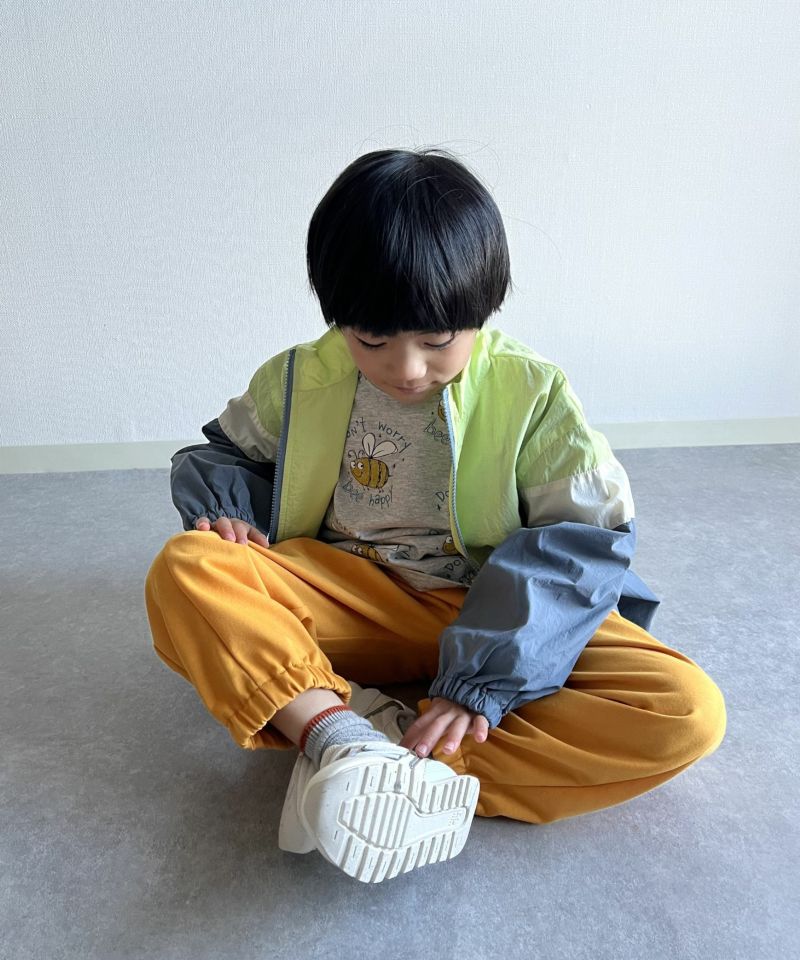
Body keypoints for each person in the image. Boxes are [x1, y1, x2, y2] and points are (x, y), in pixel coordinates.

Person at [144, 147, 726, 884]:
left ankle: (373, 752)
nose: (407, 368)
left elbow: (581, 547)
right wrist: (226, 513)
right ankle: (340, 736)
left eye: (437, 339)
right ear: (339, 317)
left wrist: (484, 677)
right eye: (372, 340)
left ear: (481, 309)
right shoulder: (300, 378)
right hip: (347, 595)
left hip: (490, 608)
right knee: (189, 569)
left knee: (686, 714)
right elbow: (226, 455)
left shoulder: (531, 392)